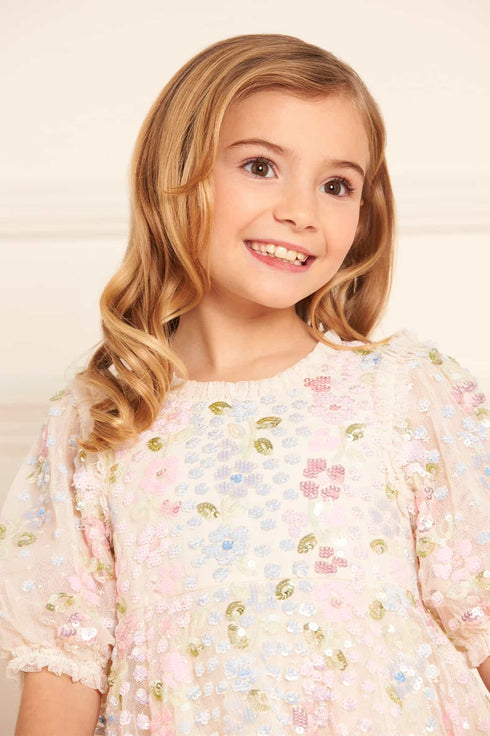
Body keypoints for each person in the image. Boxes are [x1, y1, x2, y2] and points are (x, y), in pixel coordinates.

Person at [0, 33, 488, 736]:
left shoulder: (406, 394)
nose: (302, 212)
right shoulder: (101, 423)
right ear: (176, 174)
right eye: (261, 167)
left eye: (336, 185)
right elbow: (61, 677)